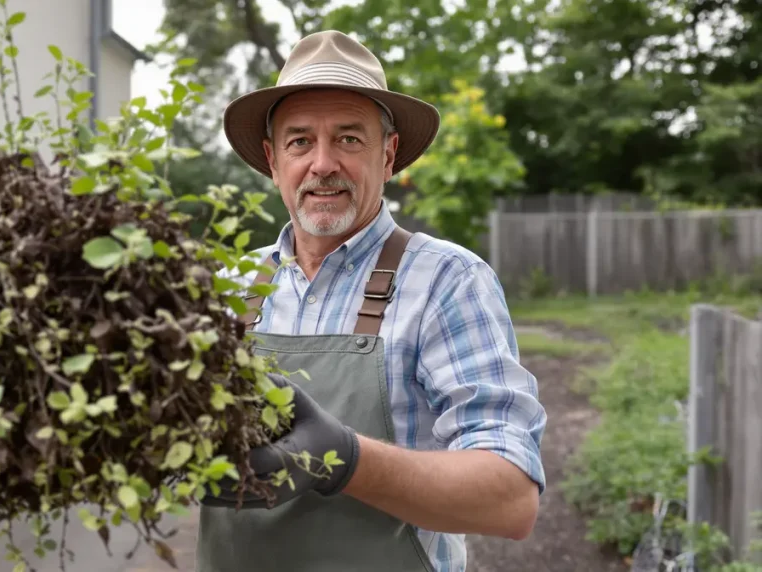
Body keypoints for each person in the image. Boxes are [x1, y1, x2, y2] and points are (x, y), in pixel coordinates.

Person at [195, 30, 547, 572]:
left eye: (349, 139)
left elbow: (510, 499)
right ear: (271, 160)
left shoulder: (446, 281)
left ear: (389, 155)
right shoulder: (228, 285)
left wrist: (345, 460)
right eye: (299, 142)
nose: (322, 163)